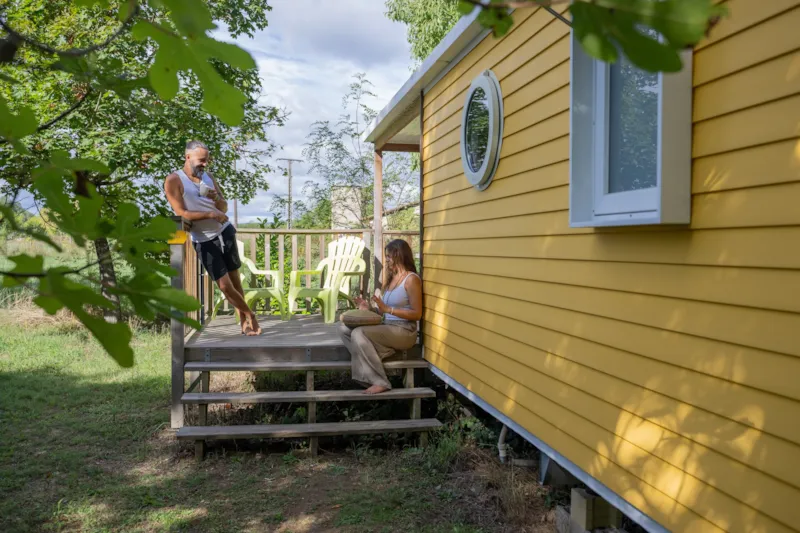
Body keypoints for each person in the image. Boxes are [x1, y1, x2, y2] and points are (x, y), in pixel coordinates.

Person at [164, 140, 261, 336]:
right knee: (225, 286)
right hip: (204, 239)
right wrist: (210, 215)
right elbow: (181, 213)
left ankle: (244, 321)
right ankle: (250, 314)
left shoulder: (208, 177)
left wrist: (217, 200)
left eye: (207, 161)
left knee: (235, 279)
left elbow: (223, 207)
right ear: (188, 157)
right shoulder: (174, 180)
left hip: (225, 231)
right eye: (201, 161)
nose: (205, 165)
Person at [338, 239, 423, 394]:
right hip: (389, 327)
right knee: (344, 329)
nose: (387, 260)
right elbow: (383, 311)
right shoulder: (392, 280)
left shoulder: (411, 280)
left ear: (399, 255)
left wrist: (388, 309)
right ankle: (375, 358)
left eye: (389, 256)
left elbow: (417, 314)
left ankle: (380, 381)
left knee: (359, 333)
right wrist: (368, 308)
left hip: (405, 331)